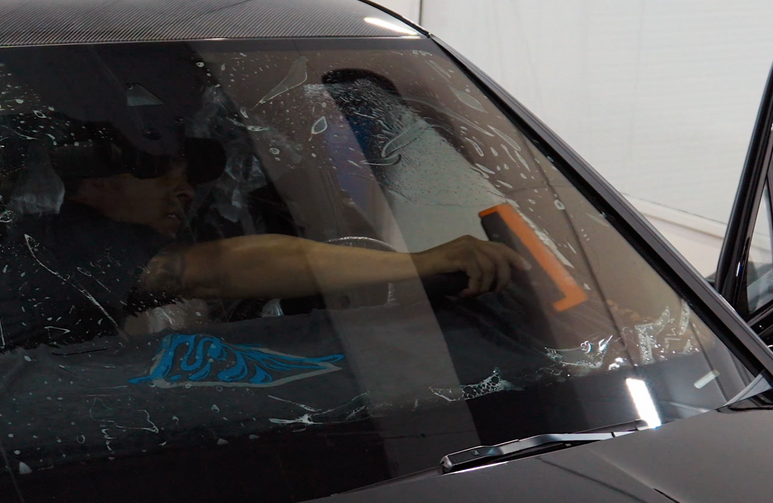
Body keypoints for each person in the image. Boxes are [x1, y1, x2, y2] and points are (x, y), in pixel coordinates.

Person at [0, 151, 525, 352]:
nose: (184, 193)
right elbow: (213, 269)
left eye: (188, 178)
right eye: (162, 176)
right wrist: (416, 265)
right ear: (96, 186)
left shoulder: (106, 250)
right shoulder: (65, 243)